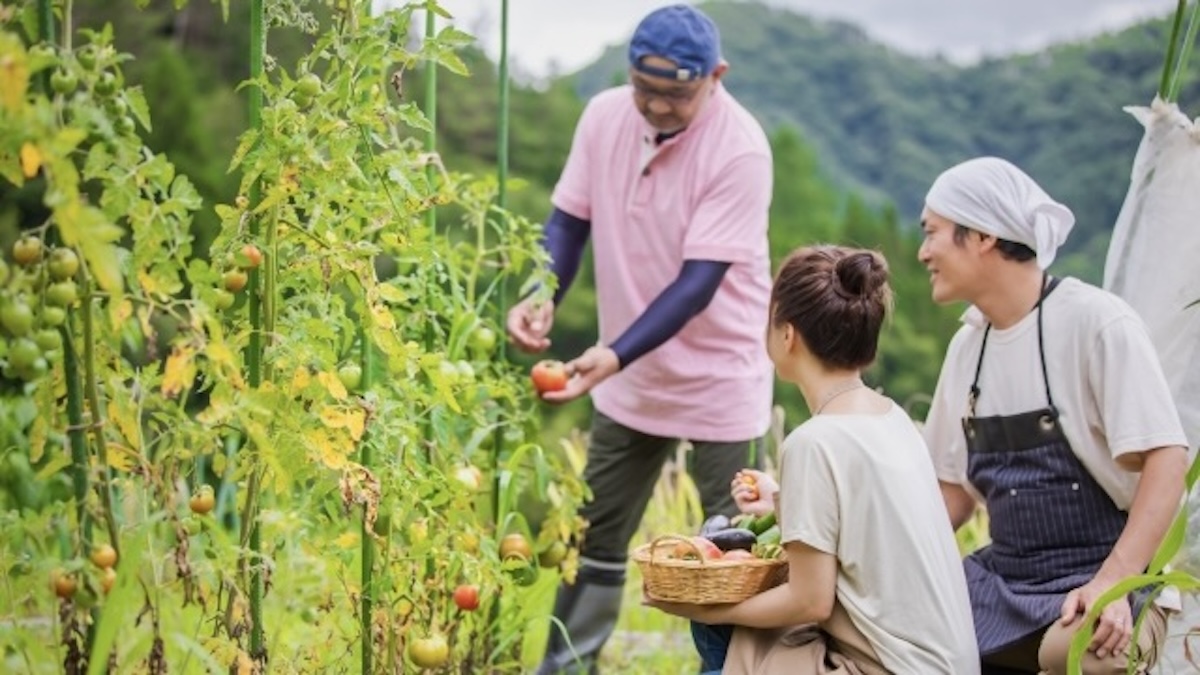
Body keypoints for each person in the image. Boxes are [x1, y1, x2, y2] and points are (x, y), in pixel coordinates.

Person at [504, 5, 775, 673]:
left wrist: (614, 351)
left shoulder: (740, 149)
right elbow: (567, 222)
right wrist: (543, 294)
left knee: (731, 547)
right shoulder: (603, 117)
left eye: (676, 94)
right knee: (592, 536)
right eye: (643, 88)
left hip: (720, 378)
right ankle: (567, 666)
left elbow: (698, 283)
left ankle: (729, 668)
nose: (655, 105)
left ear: (717, 76)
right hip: (629, 378)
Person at [645, 245, 979, 675]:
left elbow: (811, 600)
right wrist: (784, 502)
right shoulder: (890, 417)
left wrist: (712, 612)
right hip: (946, 665)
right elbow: (863, 523)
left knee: (724, 632)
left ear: (787, 335)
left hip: (891, 668)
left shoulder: (813, 442)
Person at [917, 156, 1191, 674]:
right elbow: (951, 495)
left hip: (1103, 583)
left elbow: (1166, 460)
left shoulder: (1095, 322)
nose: (923, 252)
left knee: (1094, 652)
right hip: (1002, 585)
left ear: (982, 237)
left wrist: (1114, 581)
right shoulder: (967, 348)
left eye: (932, 233)